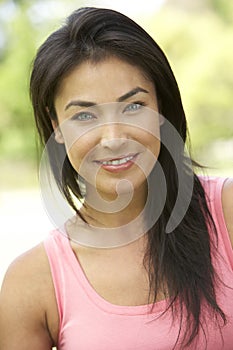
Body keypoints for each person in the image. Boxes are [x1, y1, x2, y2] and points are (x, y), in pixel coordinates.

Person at [0, 7, 232, 350]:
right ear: (56, 127)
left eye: (133, 106)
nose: (112, 137)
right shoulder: (33, 283)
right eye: (84, 115)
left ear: (161, 108)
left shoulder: (225, 213)